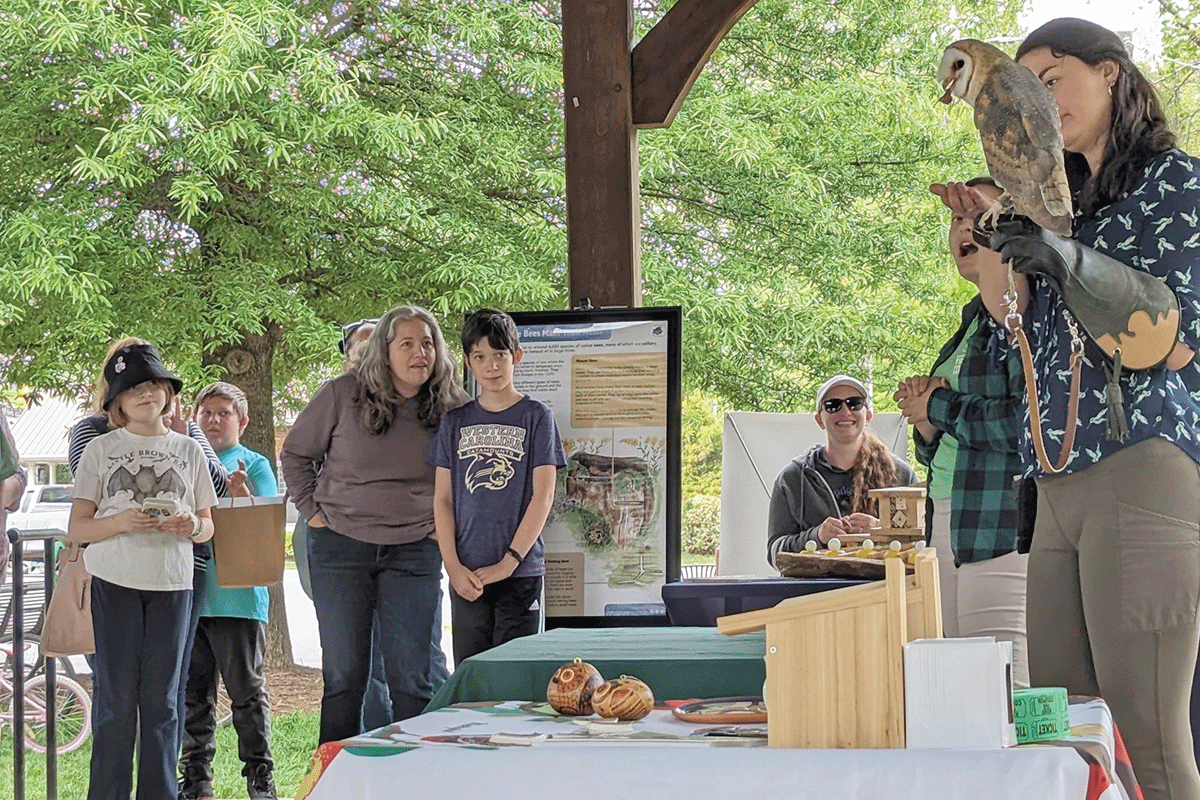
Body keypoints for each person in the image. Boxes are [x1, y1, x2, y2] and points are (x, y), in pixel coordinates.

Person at [937, 18, 1200, 799]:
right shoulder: (1061, 201)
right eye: (1025, 88)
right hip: (1054, 483)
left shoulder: (1177, 182)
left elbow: (1171, 344)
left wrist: (1065, 255)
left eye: (1052, 79)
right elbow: (1013, 326)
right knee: (1059, 724)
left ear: (1112, 73)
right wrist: (994, 240)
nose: (1040, 102)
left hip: (1142, 469)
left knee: (1145, 732)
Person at [281, 305, 467, 743]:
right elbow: (295, 455)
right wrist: (313, 512)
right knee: (346, 677)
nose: (420, 352)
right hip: (340, 549)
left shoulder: (453, 406)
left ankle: (417, 781)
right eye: (407, 343)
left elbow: (468, 475)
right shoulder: (342, 393)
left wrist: (444, 527)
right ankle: (332, 781)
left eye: (428, 343)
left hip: (414, 551)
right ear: (384, 351)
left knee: (413, 679)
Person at [67, 336, 234, 754]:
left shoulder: (189, 443)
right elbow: (80, 520)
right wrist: (121, 519)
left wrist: (191, 522)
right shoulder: (96, 441)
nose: (145, 393)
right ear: (114, 400)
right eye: (133, 386)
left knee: (165, 696)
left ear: (170, 395)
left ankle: (166, 787)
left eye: (154, 384)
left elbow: (213, 505)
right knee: (117, 697)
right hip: (114, 577)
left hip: (177, 577)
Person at [894, 176, 1030, 688]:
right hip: (949, 519)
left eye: (980, 216)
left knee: (1001, 686)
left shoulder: (1020, 316)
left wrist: (940, 403)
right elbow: (945, 447)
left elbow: (1026, 424)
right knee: (958, 685)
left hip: (999, 525)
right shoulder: (973, 319)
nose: (964, 228)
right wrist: (926, 425)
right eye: (956, 218)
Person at [431, 308, 565, 665]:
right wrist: (454, 567)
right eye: (480, 357)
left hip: (519, 573)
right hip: (467, 576)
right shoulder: (454, 422)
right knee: (472, 675)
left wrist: (509, 562)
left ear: (516, 356)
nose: (491, 366)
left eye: (499, 355)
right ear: (468, 362)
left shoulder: (537, 416)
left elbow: (544, 495)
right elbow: (442, 500)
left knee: (515, 678)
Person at [291, 317, 398, 732]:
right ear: (347, 354)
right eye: (361, 344)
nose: (369, 351)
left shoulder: (410, 401)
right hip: (333, 542)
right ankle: (350, 757)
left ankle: (390, 747)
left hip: (397, 548)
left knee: (399, 661)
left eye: (378, 343)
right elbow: (298, 458)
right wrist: (315, 514)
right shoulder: (333, 399)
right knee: (352, 659)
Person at [179, 382, 277, 800]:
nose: (214, 420)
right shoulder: (181, 457)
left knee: (246, 695)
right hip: (189, 598)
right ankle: (196, 782)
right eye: (206, 413)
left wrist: (241, 495)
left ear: (243, 421)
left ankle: (260, 779)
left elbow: (265, 531)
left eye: (224, 413)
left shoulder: (253, 464)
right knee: (193, 697)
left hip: (237, 599)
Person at [766, 374, 919, 569]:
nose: (845, 411)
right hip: (815, 594)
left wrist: (881, 530)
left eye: (854, 403)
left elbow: (923, 542)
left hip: (884, 589)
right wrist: (817, 536)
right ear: (819, 419)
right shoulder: (793, 479)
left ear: (868, 416)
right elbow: (774, 552)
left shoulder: (901, 475)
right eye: (833, 405)